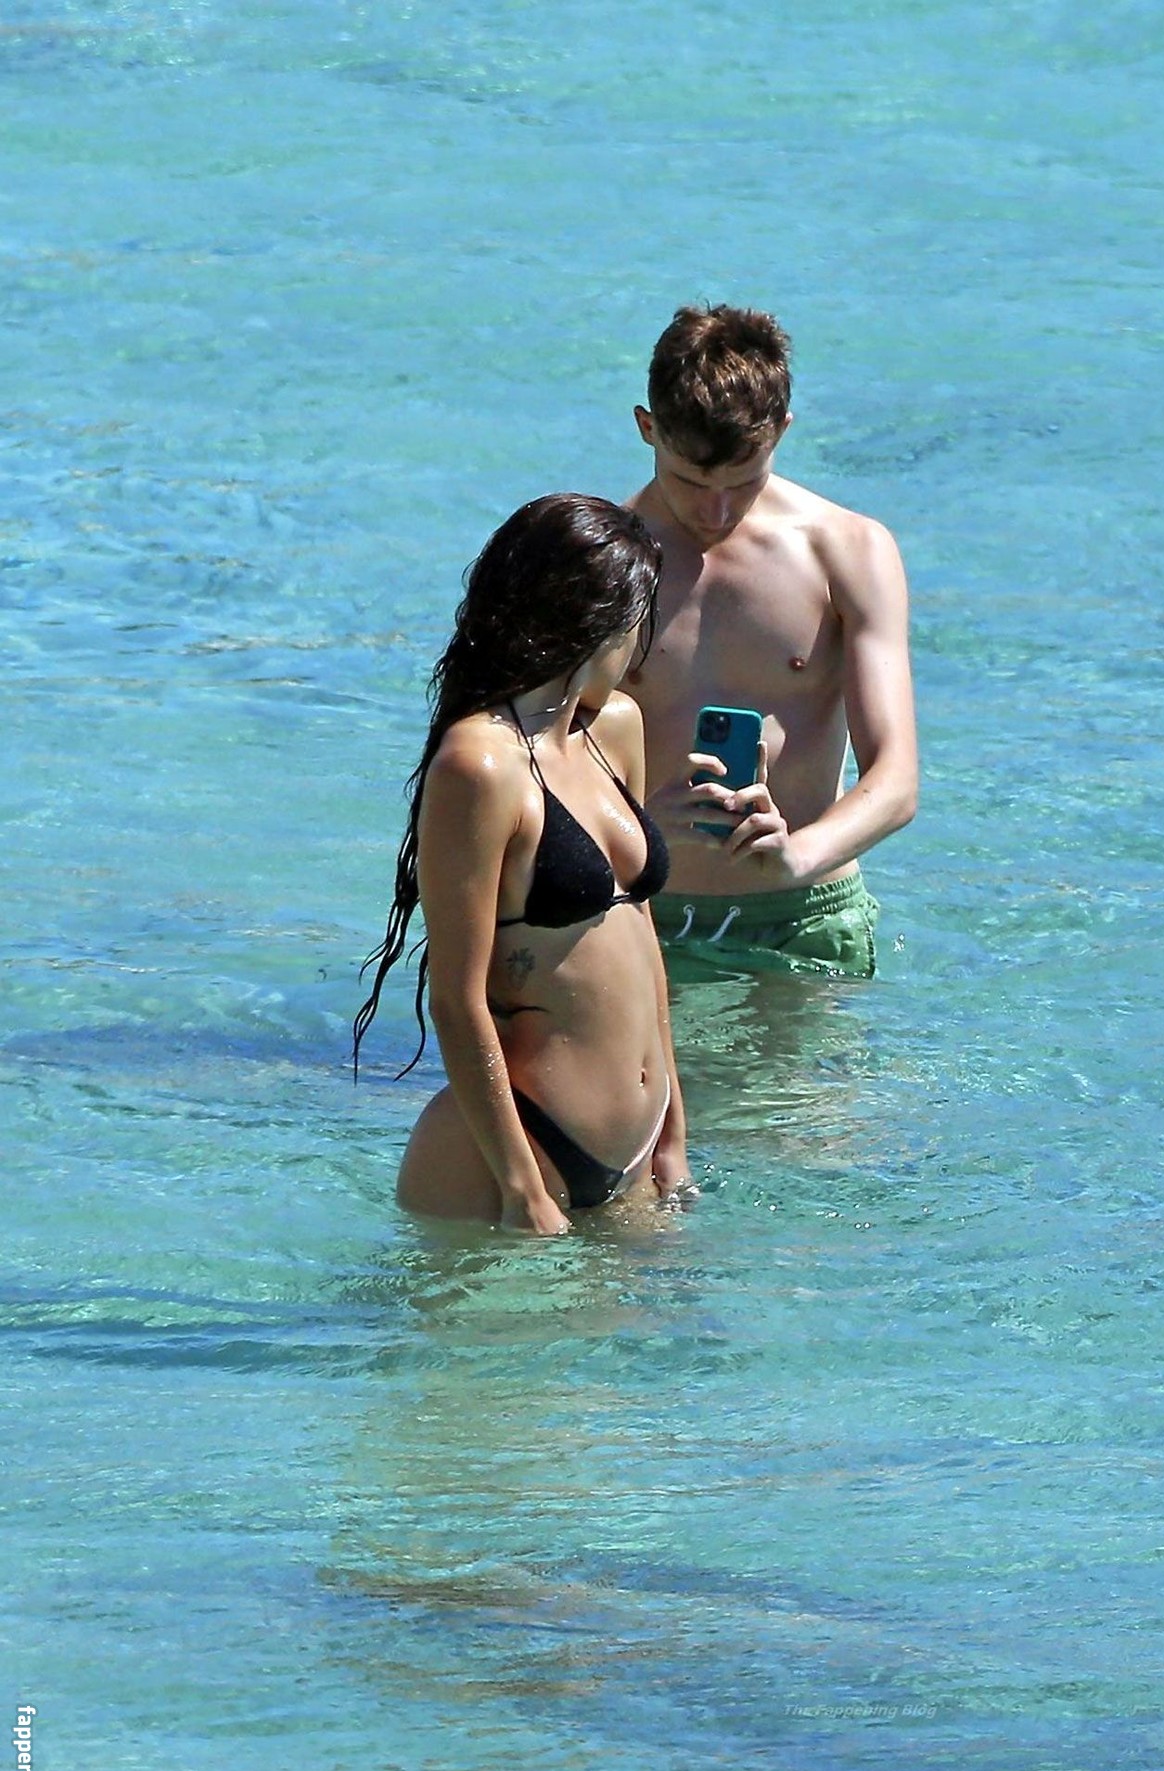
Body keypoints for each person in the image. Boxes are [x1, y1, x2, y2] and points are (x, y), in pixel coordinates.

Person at [353, 495, 690, 1235]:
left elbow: (641, 934)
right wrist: (521, 1188)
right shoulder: (479, 765)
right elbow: (457, 998)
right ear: (599, 623)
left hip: (638, 1152)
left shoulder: (615, 729)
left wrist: (673, 1128)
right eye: (639, 626)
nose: (641, 651)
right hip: (517, 1153)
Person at [624, 304, 919, 976]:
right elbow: (534, 759)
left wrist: (797, 856)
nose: (716, 511)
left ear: (782, 429)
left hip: (802, 915)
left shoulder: (848, 551)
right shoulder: (598, 562)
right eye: (689, 480)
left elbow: (895, 781)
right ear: (647, 427)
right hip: (637, 908)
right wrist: (632, 826)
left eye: (743, 480)